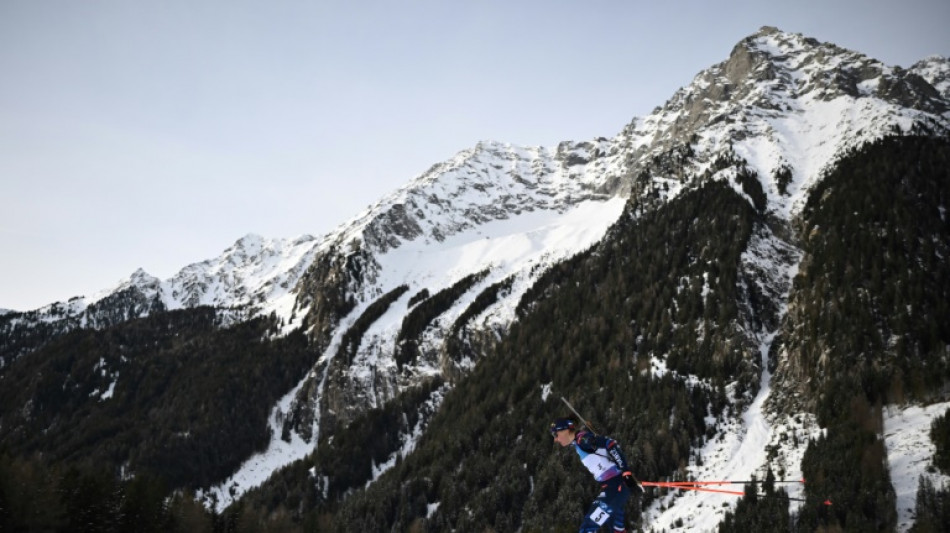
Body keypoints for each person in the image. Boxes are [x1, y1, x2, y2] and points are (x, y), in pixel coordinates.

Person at [551, 417, 640, 533]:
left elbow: (611, 444)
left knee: (587, 528)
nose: (555, 439)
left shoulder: (582, 440)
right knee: (616, 529)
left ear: (565, 430)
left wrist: (626, 472)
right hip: (613, 488)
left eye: (555, 434)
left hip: (616, 487)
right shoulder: (578, 440)